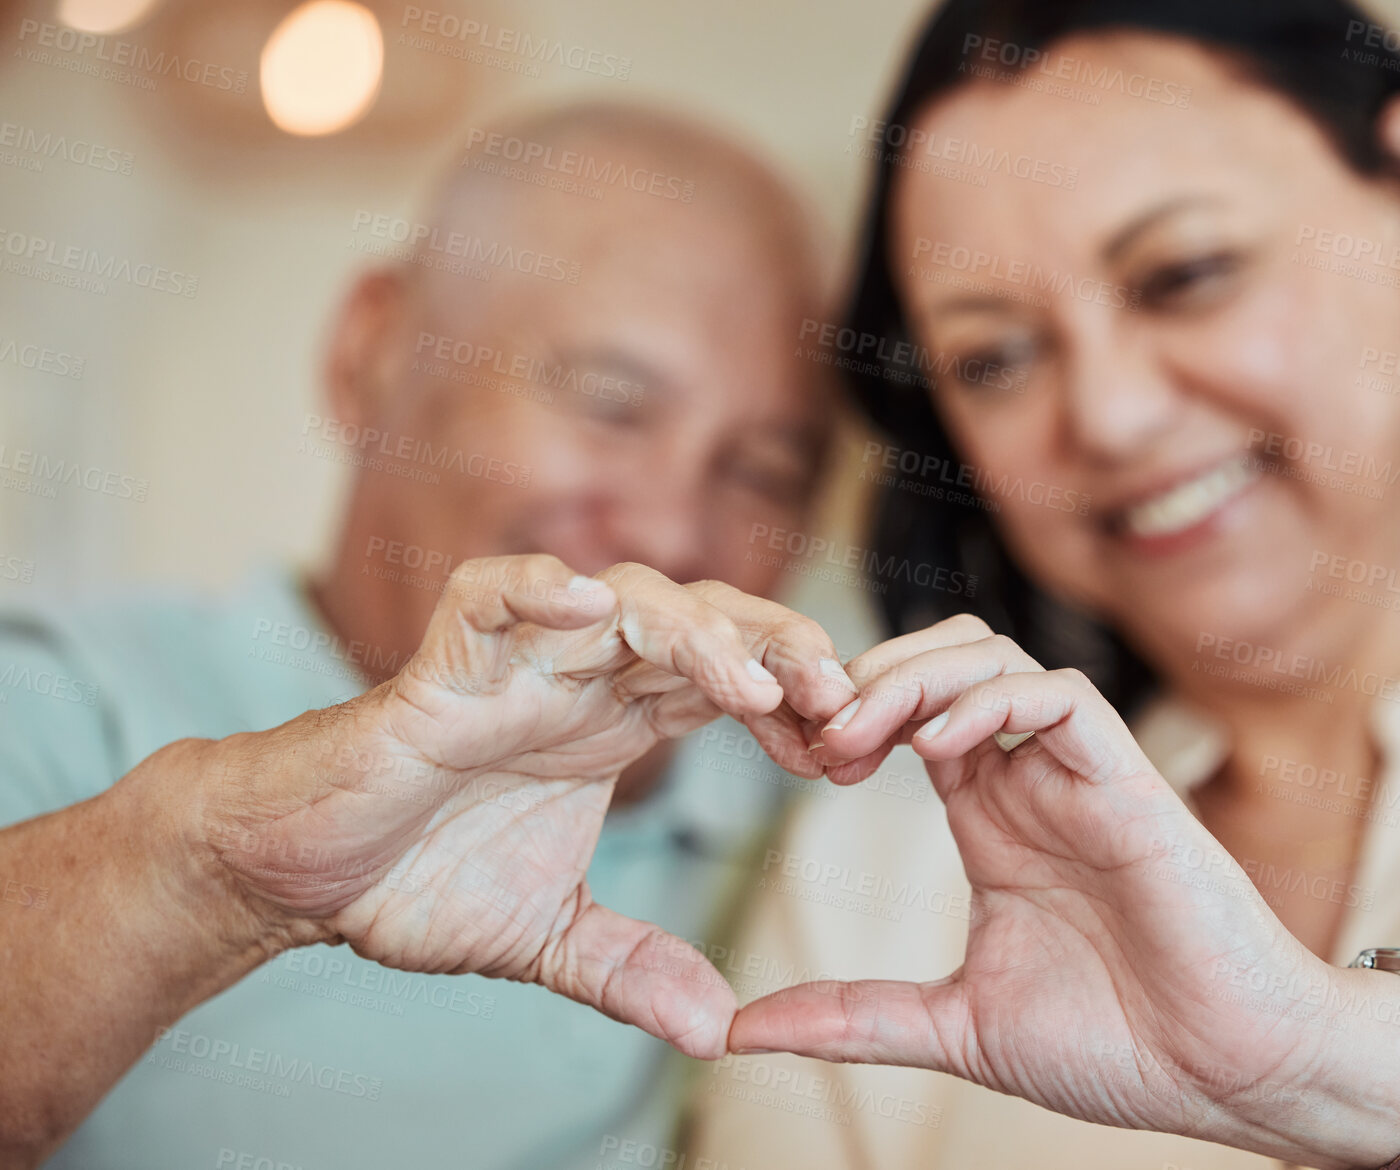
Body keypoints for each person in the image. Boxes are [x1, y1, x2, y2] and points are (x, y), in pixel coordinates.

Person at [687, 1, 1400, 1167]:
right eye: (994, 357)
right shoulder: (876, 869)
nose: (1112, 417)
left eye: (1182, 274)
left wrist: (1334, 1063)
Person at [0, 103, 859, 1169]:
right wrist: (224, 879)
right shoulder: (52, 711)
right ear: (371, 349)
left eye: (764, 472)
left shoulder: (811, 823)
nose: (674, 529)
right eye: (611, 403)